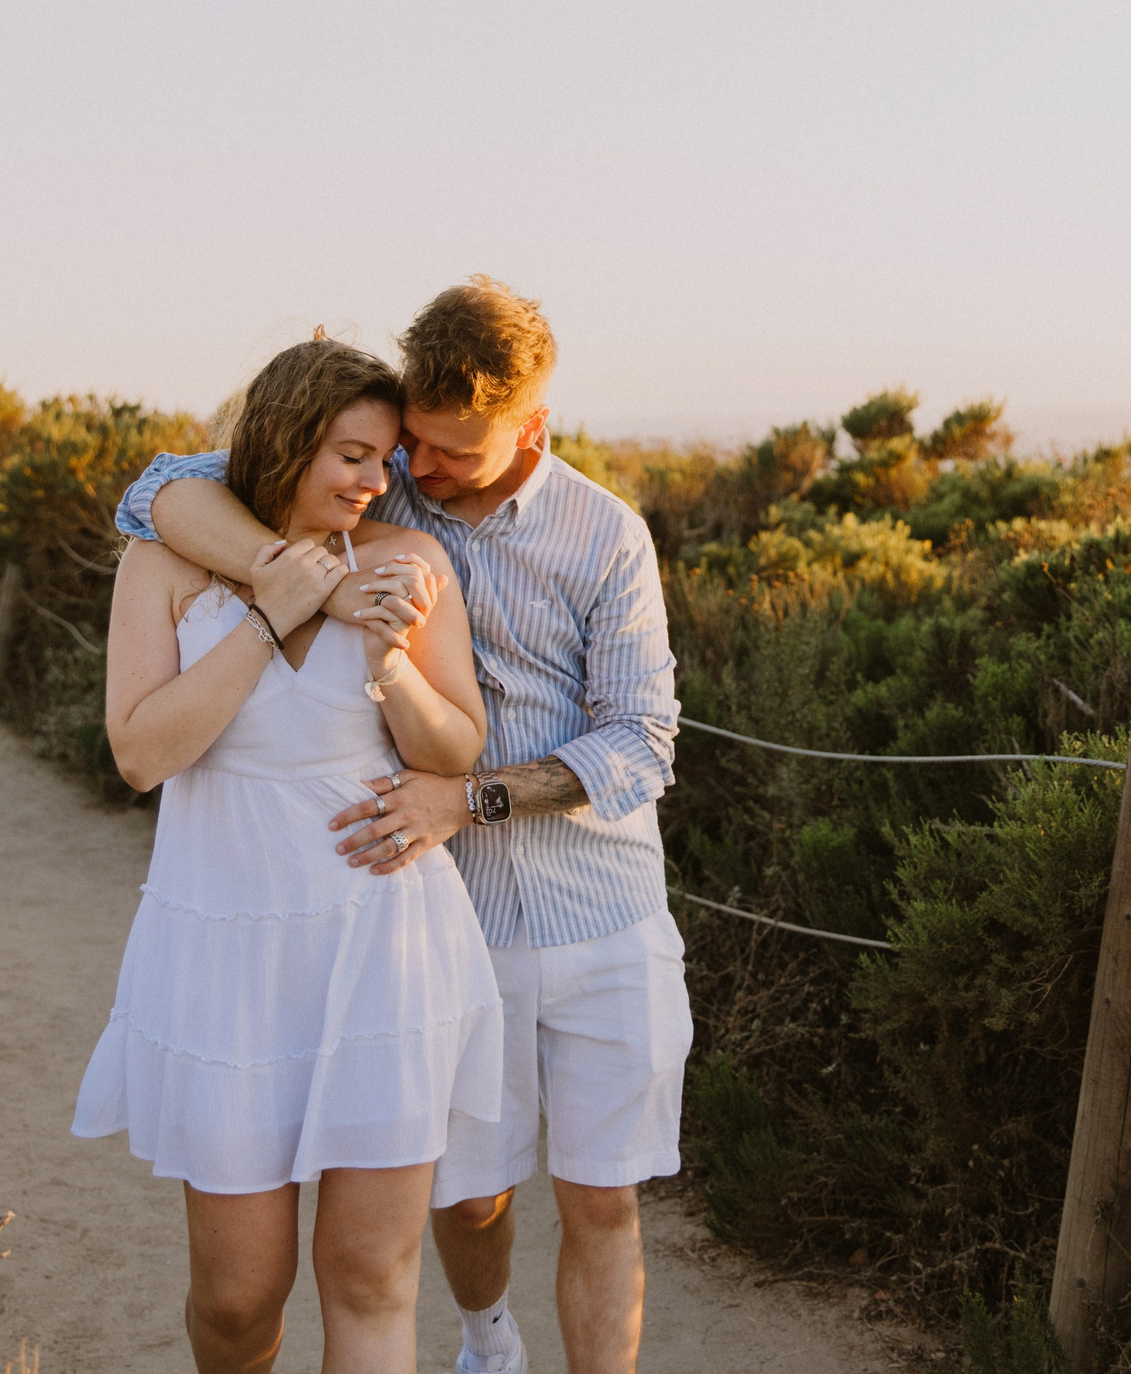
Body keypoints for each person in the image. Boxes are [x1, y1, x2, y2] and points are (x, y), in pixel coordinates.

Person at [114, 277, 686, 1374]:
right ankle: (488, 1339)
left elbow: (643, 741)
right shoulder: (384, 505)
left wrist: (468, 797)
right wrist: (315, 593)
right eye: (401, 446)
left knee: (600, 1197)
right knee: (468, 1204)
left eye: (446, 453)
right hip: (452, 915)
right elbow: (163, 491)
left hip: (590, 905)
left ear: (533, 428)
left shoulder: (603, 536)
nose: (413, 472)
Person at [75, 335, 503, 1374]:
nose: (375, 479)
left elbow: (458, 747)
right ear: (284, 439)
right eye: (351, 453)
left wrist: (392, 667)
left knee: (369, 1280)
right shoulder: (167, 563)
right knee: (236, 1297)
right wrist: (274, 614)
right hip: (228, 959)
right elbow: (141, 753)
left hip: (383, 952)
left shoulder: (409, 563)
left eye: (385, 457)